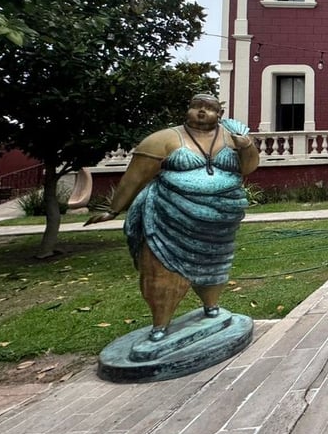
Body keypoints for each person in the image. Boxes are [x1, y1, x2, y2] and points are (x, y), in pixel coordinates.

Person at [85, 94, 260, 341]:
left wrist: (245, 144)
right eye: (196, 107)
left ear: (219, 114)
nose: (201, 112)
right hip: (169, 219)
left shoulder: (231, 136)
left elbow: (249, 167)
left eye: (209, 108)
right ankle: (160, 324)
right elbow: (135, 177)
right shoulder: (164, 139)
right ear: (187, 109)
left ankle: (211, 306)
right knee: (162, 271)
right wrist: (114, 209)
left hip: (219, 227)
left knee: (214, 269)